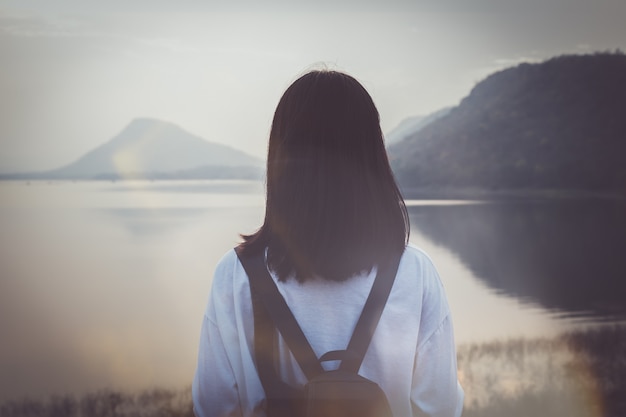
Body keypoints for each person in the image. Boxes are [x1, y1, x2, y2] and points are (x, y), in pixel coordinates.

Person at [192, 70, 464, 417]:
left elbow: (214, 408)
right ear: (372, 157)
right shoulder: (415, 272)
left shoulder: (235, 274)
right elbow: (439, 409)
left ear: (281, 158)